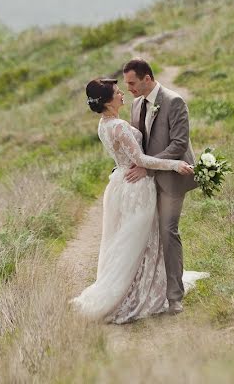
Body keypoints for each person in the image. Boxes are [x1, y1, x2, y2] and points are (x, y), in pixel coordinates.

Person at [70, 77, 207, 324]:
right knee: (143, 240)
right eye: (117, 91)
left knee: (128, 241)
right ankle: (136, 294)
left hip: (122, 182)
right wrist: (175, 164)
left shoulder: (104, 124)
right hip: (137, 187)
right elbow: (142, 161)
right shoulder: (119, 127)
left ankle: (142, 284)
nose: (122, 94)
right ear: (108, 101)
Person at [122, 58, 199, 315]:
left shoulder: (174, 101)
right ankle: (148, 294)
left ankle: (175, 296)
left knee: (168, 233)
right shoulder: (135, 105)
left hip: (172, 180)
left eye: (132, 83)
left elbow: (178, 144)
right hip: (146, 182)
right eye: (127, 84)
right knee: (146, 236)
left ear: (147, 78)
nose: (129, 88)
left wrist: (149, 167)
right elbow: (137, 144)